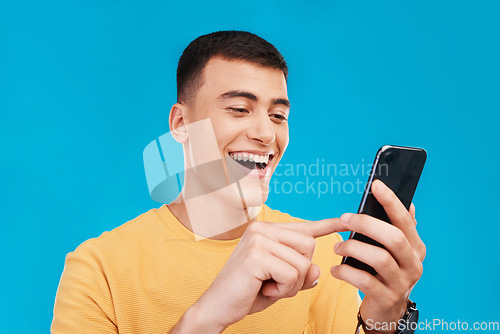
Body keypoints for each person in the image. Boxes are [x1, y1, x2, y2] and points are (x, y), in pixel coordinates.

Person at [51, 31, 426, 334]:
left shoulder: (321, 254)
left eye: (278, 115)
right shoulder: (98, 269)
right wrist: (204, 318)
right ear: (181, 125)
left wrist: (385, 322)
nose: (266, 133)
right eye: (239, 110)